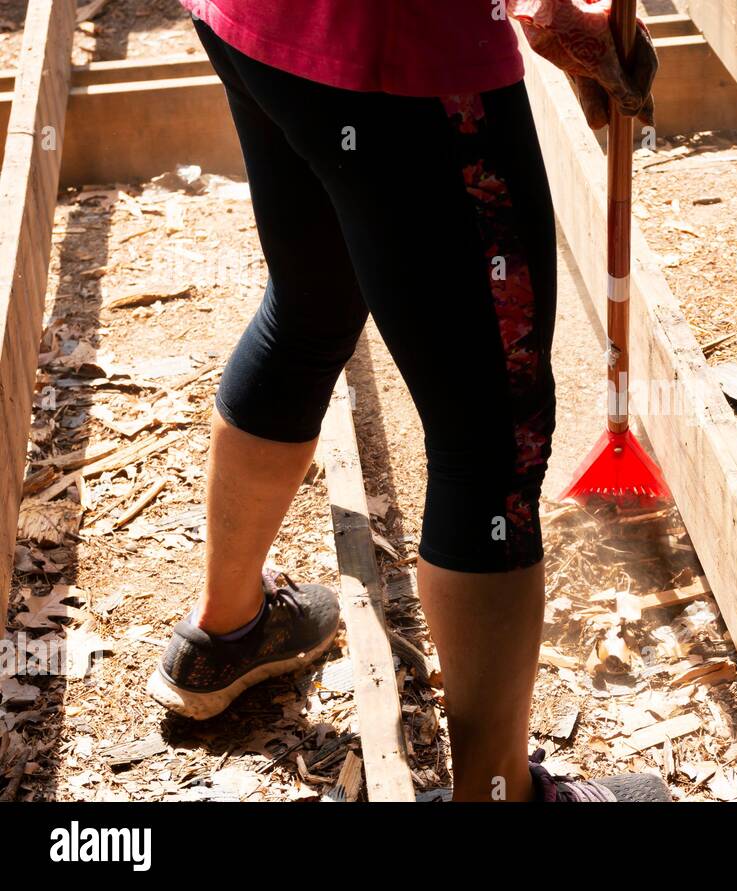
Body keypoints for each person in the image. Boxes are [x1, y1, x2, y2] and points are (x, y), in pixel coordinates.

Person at [146, 0, 661, 803]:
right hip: (400, 47)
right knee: (493, 439)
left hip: (259, 23)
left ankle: (226, 630)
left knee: (309, 308)